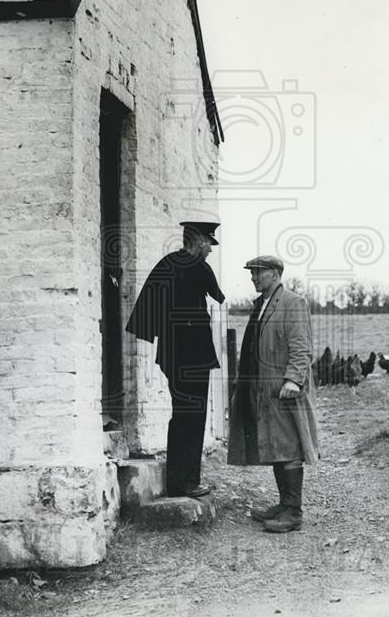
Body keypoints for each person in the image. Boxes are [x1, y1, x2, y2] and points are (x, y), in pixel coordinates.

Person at [125, 221, 225, 498]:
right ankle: (185, 483)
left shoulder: (166, 264)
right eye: (208, 244)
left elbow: (146, 309)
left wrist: (161, 335)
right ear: (198, 241)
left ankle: (182, 481)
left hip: (173, 355)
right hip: (194, 356)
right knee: (192, 415)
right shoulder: (200, 268)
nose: (210, 250)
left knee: (182, 415)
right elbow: (218, 297)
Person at [227, 255, 320, 532]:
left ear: (276, 274)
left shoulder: (293, 302)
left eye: (259, 273)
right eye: (252, 274)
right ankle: (284, 504)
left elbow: (301, 346)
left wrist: (293, 379)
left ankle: (294, 512)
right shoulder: (263, 305)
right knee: (277, 445)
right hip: (265, 389)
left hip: (285, 390)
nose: (253, 278)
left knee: (289, 446)